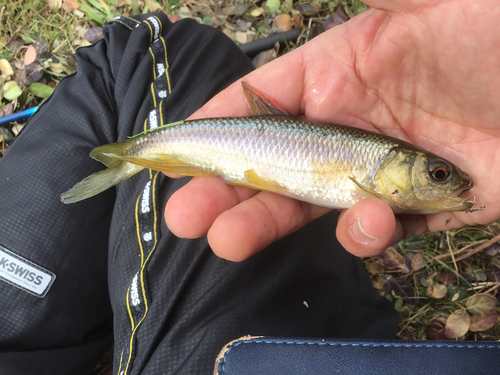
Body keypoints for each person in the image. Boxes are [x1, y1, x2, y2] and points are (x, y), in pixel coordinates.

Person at [0, 0, 498, 374]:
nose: (444, 180)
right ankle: (129, 157)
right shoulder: (368, 163)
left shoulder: (371, 171)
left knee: (146, 54)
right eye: (436, 174)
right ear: (399, 165)